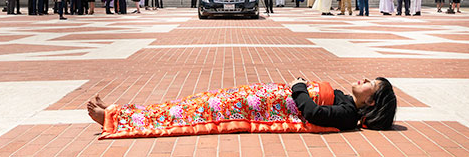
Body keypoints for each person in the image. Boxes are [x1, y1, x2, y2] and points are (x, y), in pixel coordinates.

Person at [87, 76, 397, 139]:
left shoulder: (347, 115)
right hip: (259, 98)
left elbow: (312, 113)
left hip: (259, 108)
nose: (366, 79)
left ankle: (115, 118)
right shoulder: (345, 101)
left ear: (370, 101)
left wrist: (300, 86)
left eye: (373, 84)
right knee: (193, 103)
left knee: (194, 111)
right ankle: (122, 111)